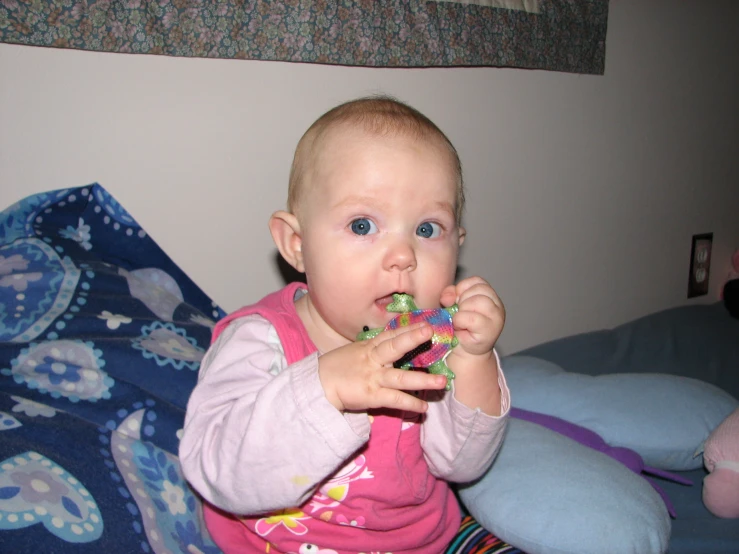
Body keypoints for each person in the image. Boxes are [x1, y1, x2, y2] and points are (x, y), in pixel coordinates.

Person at [179, 95, 510, 554]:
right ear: (296, 244)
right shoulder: (259, 340)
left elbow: (461, 465)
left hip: (424, 541)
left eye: (428, 229)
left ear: (458, 244)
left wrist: (473, 361)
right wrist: (326, 387)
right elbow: (216, 470)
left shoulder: (432, 341)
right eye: (361, 225)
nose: (403, 256)